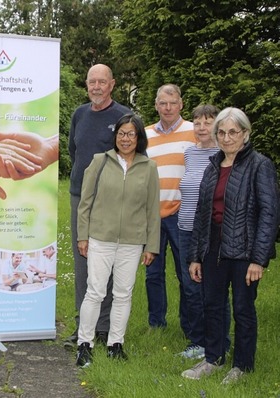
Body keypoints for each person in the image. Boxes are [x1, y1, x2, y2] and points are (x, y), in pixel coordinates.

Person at [182, 107, 278, 384]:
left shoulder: (260, 165)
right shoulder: (213, 165)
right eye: (221, 132)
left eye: (233, 132)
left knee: (243, 309)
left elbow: (269, 214)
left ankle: (242, 366)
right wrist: (196, 256)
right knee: (212, 305)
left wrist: (259, 259)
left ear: (245, 134)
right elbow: (202, 214)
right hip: (213, 248)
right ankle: (213, 359)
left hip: (245, 251)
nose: (226, 138)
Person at [75, 114, 160, 367]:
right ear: (116, 136)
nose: (125, 139)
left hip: (132, 242)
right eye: (122, 133)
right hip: (100, 238)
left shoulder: (149, 167)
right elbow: (85, 202)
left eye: (131, 134)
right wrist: (83, 236)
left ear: (139, 138)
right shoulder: (100, 162)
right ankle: (85, 344)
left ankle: (115, 344)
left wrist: (151, 245)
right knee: (95, 291)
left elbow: (151, 210)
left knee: (123, 294)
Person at [66, 64, 132, 347]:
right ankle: (84, 327)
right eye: (92, 81)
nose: (96, 87)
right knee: (83, 262)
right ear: (86, 84)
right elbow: (74, 151)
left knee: (109, 261)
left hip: (110, 201)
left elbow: (131, 157)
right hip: (80, 197)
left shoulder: (122, 117)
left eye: (102, 82)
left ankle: (104, 328)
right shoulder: (79, 114)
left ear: (112, 84)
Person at [145, 84, 196, 330]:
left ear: (181, 104)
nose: (168, 108)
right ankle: (157, 323)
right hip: (152, 216)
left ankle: (188, 324)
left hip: (181, 215)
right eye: (163, 103)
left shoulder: (194, 132)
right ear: (156, 105)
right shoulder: (145, 135)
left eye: (172, 103)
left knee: (185, 274)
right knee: (153, 274)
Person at [176, 104, 222, 359]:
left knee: (212, 286)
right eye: (197, 123)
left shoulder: (223, 155)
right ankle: (197, 342)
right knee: (190, 286)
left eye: (208, 122)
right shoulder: (190, 154)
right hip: (185, 227)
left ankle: (217, 341)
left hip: (211, 231)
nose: (202, 127)